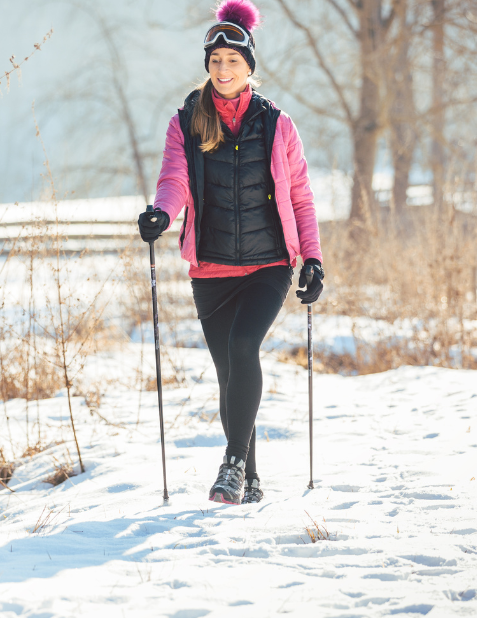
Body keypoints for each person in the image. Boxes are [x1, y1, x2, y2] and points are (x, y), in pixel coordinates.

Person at [137, 0, 324, 505]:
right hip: (211, 267)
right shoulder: (187, 121)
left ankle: (232, 465)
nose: (222, 69)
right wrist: (162, 212)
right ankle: (253, 479)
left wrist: (313, 258)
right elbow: (174, 177)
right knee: (229, 374)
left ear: (249, 67)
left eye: (232, 61)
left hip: (268, 264)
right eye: (215, 60)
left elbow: (301, 196)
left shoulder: (276, 124)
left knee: (244, 348)